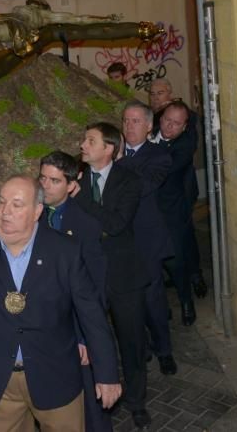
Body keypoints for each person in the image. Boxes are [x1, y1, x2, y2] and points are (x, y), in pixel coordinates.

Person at [0, 176, 121, 432]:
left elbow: (91, 314)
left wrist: (106, 373)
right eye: (1, 202)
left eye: (17, 204)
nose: (6, 212)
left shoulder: (64, 251)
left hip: (54, 375)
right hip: (0, 378)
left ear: (37, 211)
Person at [76, 122, 152, 429]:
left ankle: (136, 401)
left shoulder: (129, 180)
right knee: (87, 341)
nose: (82, 144)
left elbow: (118, 223)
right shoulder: (75, 178)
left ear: (109, 148)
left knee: (131, 341)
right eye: (84, 139)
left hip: (123, 272)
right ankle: (91, 398)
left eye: (90, 140)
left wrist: (80, 199)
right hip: (86, 273)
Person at [37, 152, 111, 432]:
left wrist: (85, 338)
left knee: (90, 407)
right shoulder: (33, 215)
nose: (45, 186)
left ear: (71, 185)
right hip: (43, 326)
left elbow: (95, 288)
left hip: (74, 326)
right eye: (42, 178)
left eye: (54, 181)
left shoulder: (85, 224)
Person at [117, 102, 177, 375]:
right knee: (128, 301)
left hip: (148, 241)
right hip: (120, 241)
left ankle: (164, 349)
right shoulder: (112, 156)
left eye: (136, 121)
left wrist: (118, 161)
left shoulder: (159, 156)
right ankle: (141, 348)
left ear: (149, 126)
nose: (130, 126)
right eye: (126, 121)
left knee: (153, 299)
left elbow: (143, 186)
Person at [154, 101, 203, 325]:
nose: (169, 127)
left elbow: (164, 168)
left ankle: (186, 301)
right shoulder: (150, 131)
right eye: (166, 120)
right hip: (149, 210)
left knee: (175, 258)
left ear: (184, 126)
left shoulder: (184, 144)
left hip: (174, 208)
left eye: (176, 124)